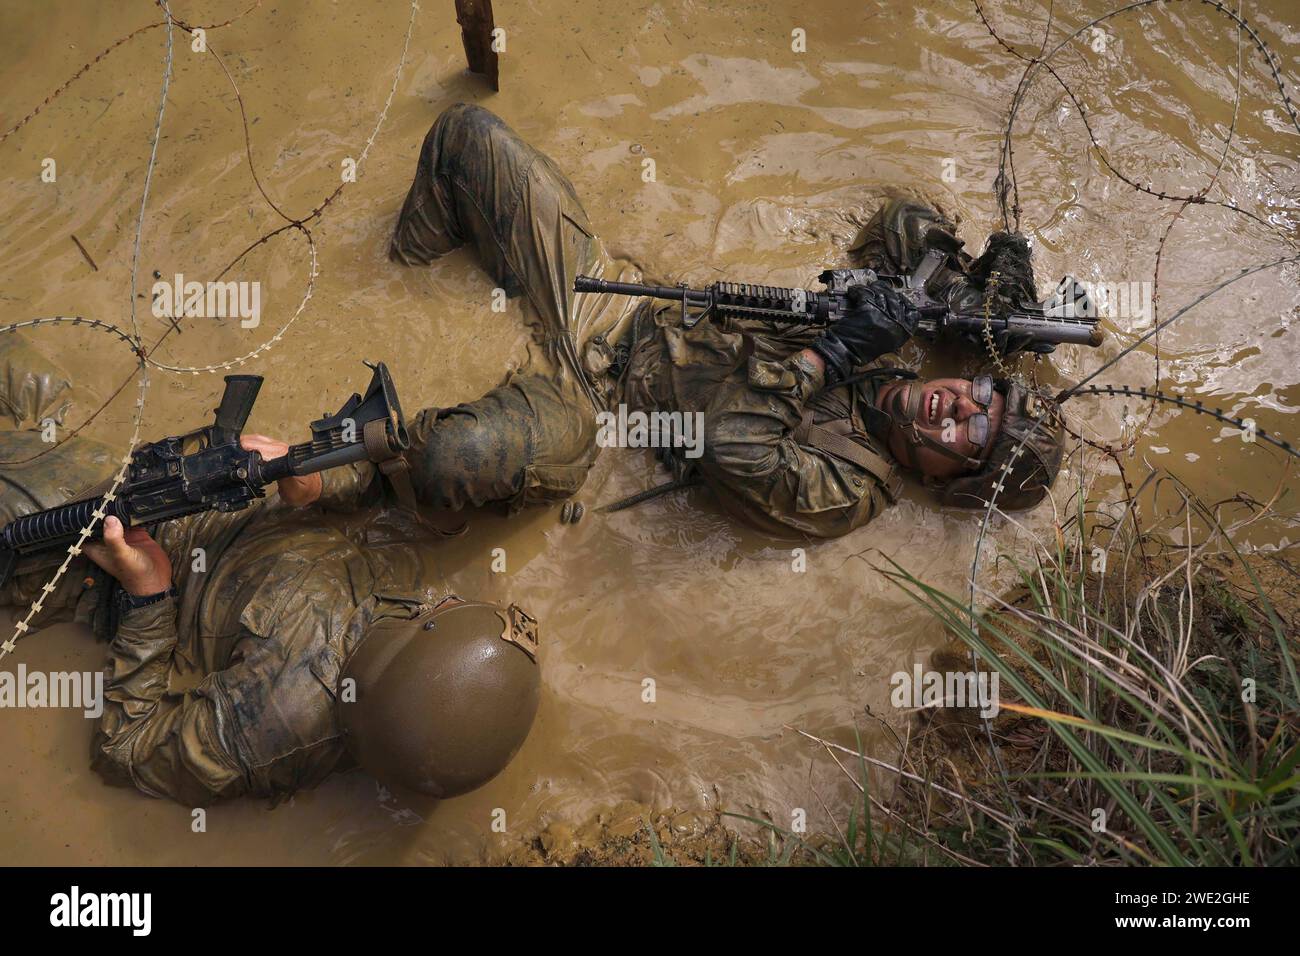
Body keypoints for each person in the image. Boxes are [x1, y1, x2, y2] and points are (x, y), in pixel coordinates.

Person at [389, 104, 1065, 539]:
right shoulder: (908, 346)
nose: (956, 405)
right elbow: (897, 216)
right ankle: (397, 274)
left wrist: (829, 353)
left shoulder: (846, 490)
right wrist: (968, 296)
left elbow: (731, 443)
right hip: (620, 299)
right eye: (982, 396)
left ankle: (342, 480)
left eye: (971, 432)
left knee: (452, 458)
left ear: (950, 480)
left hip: (600, 405)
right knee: (466, 138)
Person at [0, 333, 540, 806]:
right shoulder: (416, 639)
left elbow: (125, 750)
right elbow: (383, 502)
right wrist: (315, 485)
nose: (433, 600)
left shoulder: (277, 725)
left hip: (103, 546)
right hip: (207, 480)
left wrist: (148, 594)